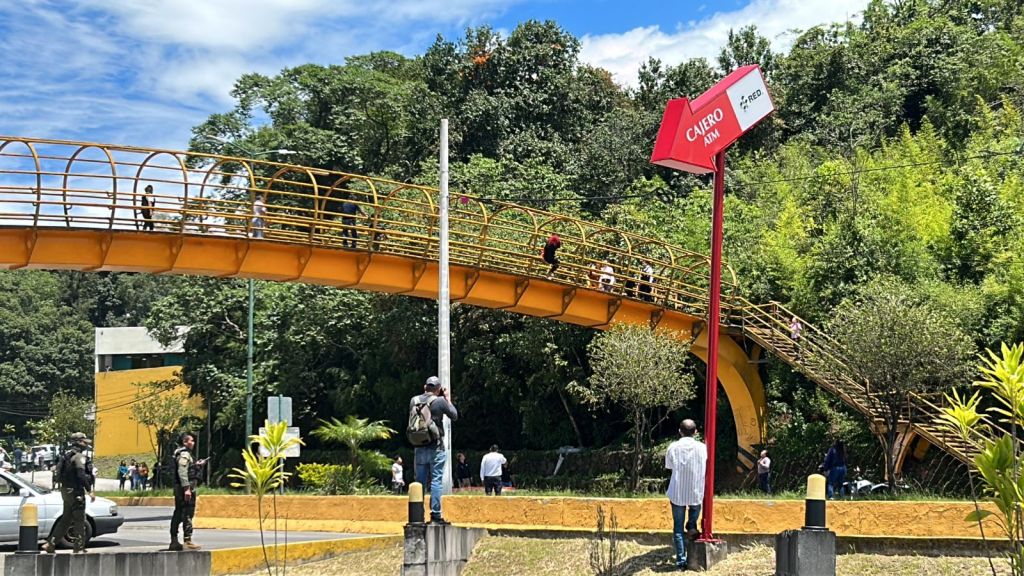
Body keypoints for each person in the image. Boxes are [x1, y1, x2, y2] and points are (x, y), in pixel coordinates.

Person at [410, 376, 458, 524]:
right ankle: (436, 515)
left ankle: (418, 516)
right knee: (436, 481)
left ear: (425, 387)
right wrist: (447, 398)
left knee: (419, 482)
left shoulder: (414, 400)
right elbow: (454, 415)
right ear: (438, 389)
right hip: (435, 447)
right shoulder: (440, 401)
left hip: (419, 446)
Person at [665, 419, 707, 571]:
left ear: (680, 431)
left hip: (677, 491)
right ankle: (691, 524)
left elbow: (669, 466)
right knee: (694, 513)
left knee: (678, 529)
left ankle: (681, 563)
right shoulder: (702, 447)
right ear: (695, 432)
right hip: (696, 491)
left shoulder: (673, 447)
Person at [43, 433, 95, 554]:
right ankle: (79, 547)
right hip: (76, 491)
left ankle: (50, 543)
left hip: (65, 490)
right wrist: (89, 490)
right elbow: (81, 475)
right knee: (80, 519)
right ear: (79, 442)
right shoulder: (78, 457)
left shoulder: (66, 456)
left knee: (66, 518)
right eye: (84, 442)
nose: (86, 444)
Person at [170, 432, 208, 551]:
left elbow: (188, 469)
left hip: (181, 488)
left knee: (179, 512)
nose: (193, 443)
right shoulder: (184, 454)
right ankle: (187, 540)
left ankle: (174, 541)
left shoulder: (181, 453)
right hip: (185, 488)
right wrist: (187, 489)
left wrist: (197, 465)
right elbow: (182, 471)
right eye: (191, 440)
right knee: (187, 513)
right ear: (185, 442)